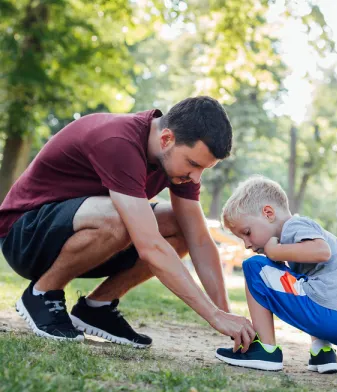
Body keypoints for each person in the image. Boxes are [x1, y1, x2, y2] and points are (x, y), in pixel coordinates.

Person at [0, 96, 256, 351]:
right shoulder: (118, 141)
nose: (196, 176)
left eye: (204, 169)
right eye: (192, 164)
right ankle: (42, 293)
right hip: (24, 235)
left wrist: (226, 315)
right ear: (166, 139)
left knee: (178, 225)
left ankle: (97, 308)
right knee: (123, 217)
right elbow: (150, 246)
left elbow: (199, 240)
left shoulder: (175, 165)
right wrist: (212, 315)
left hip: (75, 235)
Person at [215, 176, 337, 373]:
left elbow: (322, 252)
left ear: (268, 213)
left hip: (333, 313)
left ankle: (266, 350)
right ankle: (322, 352)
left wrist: (274, 252)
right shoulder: (298, 239)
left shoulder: (294, 226)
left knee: (254, 267)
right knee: (305, 282)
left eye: (247, 232)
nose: (246, 244)